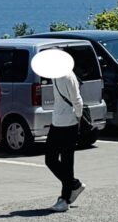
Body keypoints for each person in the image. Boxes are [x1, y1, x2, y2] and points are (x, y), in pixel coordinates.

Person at [34, 47, 85, 211]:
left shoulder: (67, 75)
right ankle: (73, 184)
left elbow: (77, 99)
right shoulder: (56, 76)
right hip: (57, 122)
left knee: (66, 161)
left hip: (68, 123)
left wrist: (78, 118)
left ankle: (65, 199)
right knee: (51, 159)